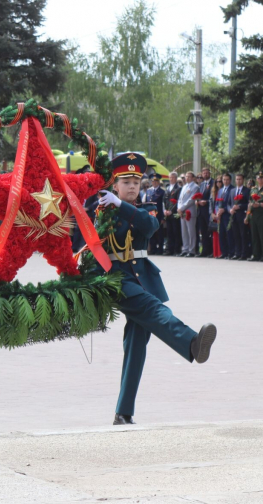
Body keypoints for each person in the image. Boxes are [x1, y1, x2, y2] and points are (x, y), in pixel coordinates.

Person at [97, 153, 216, 426]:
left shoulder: (146, 207)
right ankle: (191, 342)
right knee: (153, 309)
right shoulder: (103, 210)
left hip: (141, 278)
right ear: (114, 185)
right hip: (116, 279)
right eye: (125, 182)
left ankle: (123, 412)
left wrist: (121, 206)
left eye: (135, 182)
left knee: (136, 344)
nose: (131, 187)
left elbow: (150, 226)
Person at [178, 172, 198, 257]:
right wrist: (179, 208)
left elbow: (191, 199)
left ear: (193, 178)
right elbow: (180, 199)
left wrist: (182, 208)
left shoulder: (195, 187)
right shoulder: (184, 186)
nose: (187, 178)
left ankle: (191, 250)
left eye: (189, 177)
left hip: (189, 211)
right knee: (184, 232)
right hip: (182, 212)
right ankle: (185, 249)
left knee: (191, 231)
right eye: (186, 176)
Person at [229, 173, 249, 260]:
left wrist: (240, 206)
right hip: (234, 216)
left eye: (240, 179)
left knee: (243, 235)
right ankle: (237, 253)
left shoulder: (247, 190)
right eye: (237, 179)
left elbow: (248, 203)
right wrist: (230, 209)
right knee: (236, 235)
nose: (238, 181)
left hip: (242, 215)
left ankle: (244, 254)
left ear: (243, 180)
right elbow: (229, 203)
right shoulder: (232, 190)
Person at [214, 172, 234, 259]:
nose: (225, 181)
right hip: (220, 216)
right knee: (221, 234)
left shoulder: (232, 189)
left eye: (227, 180)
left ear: (230, 180)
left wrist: (224, 209)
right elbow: (217, 202)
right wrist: (217, 211)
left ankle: (231, 252)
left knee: (229, 234)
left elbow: (231, 203)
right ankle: (224, 252)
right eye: (224, 180)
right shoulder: (220, 190)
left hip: (228, 215)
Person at [144, 175, 165, 255]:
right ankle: (153, 249)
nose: (154, 183)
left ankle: (160, 249)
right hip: (150, 214)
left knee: (159, 233)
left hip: (158, 215)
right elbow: (146, 203)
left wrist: (163, 217)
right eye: (153, 181)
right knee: (152, 232)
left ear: (159, 182)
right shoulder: (148, 191)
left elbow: (163, 205)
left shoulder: (162, 192)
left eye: (156, 181)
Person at [163, 172, 182, 256]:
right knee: (169, 232)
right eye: (170, 177)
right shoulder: (167, 188)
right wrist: (165, 210)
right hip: (167, 213)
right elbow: (164, 200)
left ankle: (176, 249)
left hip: (174, 213)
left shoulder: (178, 188)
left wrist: (171, 211)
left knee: (176, 231)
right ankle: (169, 249)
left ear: (176, 178)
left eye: (173, 178)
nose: (171, 179)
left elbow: (178, 201)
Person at [197, 168, 214, 257]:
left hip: (208, 210)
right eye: (204, 173)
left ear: (209, 173)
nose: (205, 174)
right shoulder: (201, 184)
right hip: (201, 211)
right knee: (203, 232)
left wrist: (206, 202)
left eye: (207, 173)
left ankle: (211, 251)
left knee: (210, 231)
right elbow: (199, 195)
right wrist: (197, 201)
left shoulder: (213, 183)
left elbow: (213, 197)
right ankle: (204, 250)